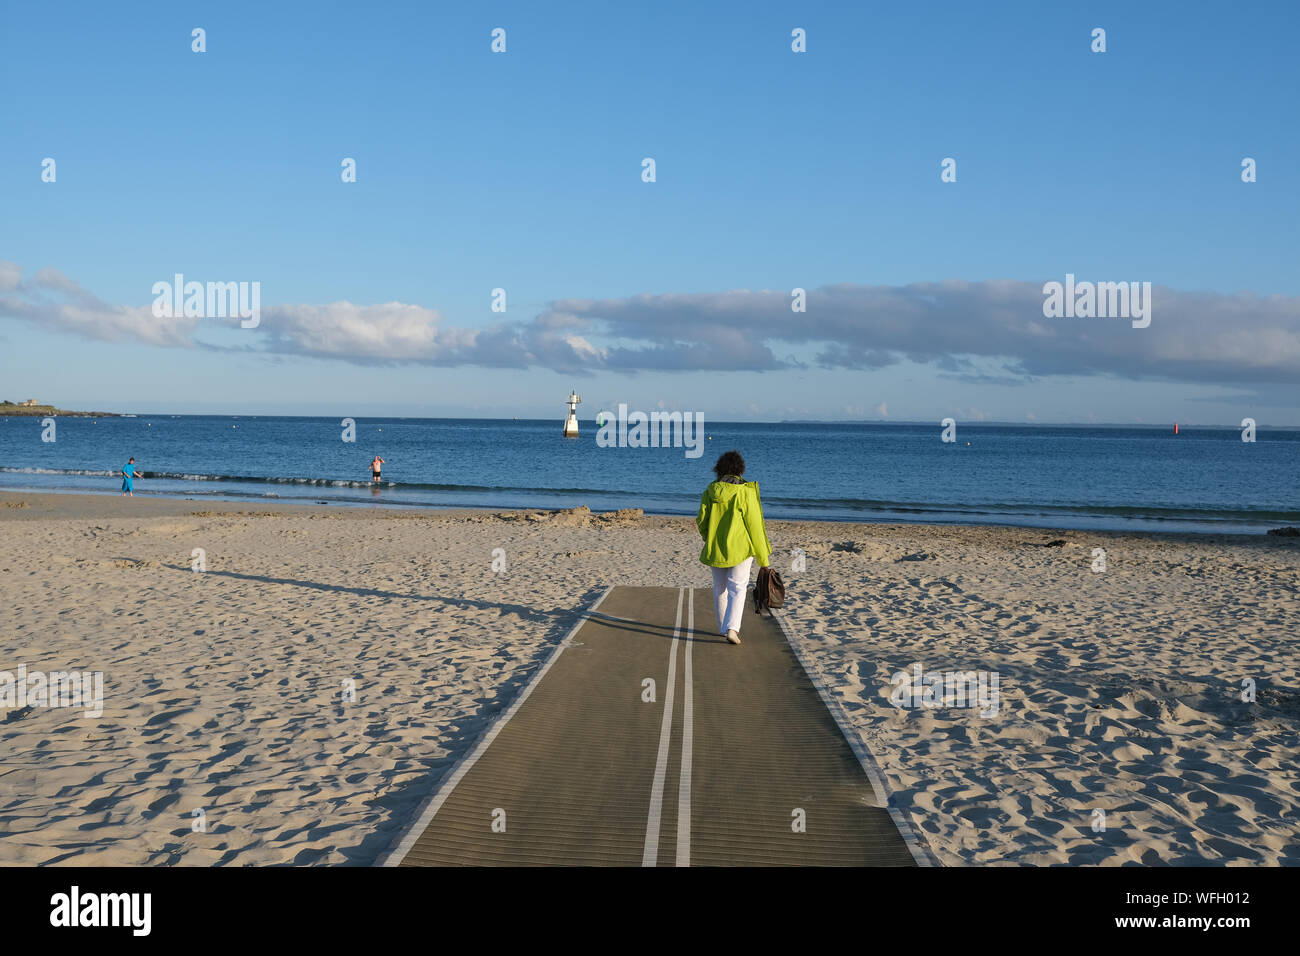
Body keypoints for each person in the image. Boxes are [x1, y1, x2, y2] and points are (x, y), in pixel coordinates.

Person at [696, 450, 771, 645]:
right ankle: (732, 629)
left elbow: (701, 520)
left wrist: (708, 537)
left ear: (718, 469)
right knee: (737, 589)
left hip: (716, 547)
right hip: (741, 549)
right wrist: (764, 559)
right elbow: (755, 526)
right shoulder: (745, 492)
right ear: (740, 470)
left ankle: (723, 628)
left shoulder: (710, 491)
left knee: (720, 589)